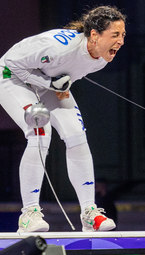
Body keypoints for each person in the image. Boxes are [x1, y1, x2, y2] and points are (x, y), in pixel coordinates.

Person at [0, 5, 126, 232]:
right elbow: (12, 64)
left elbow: (67, 74)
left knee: (76, 134)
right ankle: (29, 214)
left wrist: (58, 84)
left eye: (123, 35)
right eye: (115, 35)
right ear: (95, 35)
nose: (121, 41)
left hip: (45, 79)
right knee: (40, 132)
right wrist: (51, 84)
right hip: (11, 76)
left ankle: (90, 213)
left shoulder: (101, 59)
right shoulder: (59, 48)